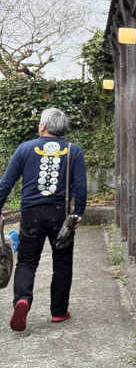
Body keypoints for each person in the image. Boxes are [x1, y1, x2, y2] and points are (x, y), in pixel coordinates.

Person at [0, 108, 87, 332]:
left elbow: (6, 182)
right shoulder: (73, 150)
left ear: (42, 127)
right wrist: (78, 213)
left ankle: (22, 300)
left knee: (27, 261)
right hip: (61, 215)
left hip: (30, 214)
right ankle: (58, 312)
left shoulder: (25, 149)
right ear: (63, 130)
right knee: (62, 262)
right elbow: (80, 187)